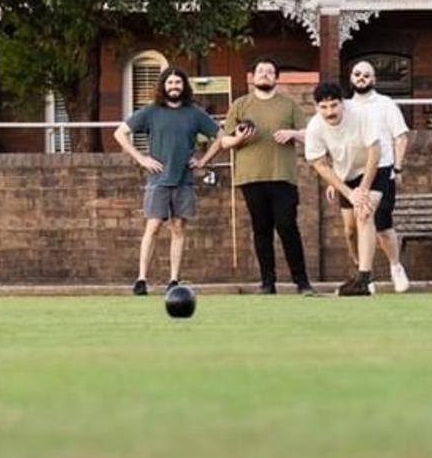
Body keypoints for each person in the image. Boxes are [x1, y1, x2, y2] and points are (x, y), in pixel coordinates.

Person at [114, 66, 223, 295]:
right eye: (170, 83)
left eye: (178, 83)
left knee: (178, 228)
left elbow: (220, 137)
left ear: (184, 86)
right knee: (152, 227)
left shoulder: (194, 113)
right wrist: (141, 159)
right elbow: (120, 133)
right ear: (163, 86)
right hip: (158, 180)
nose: (174, 87)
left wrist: (203, 161)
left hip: (184, 180)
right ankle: (142, 279)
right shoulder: (151, 111)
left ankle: (174, 280)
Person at [220, 57, 315, 295]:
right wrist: (239, 138)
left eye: (269, 71)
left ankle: (302, 282)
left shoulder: (289, 105)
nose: (264, 74)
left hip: (282, 176)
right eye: (260, 71)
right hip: (251, 177)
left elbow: (309, 135)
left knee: (287, 226)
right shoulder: (240, 105)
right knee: (261, 230)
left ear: (276, 77)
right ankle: (267, 282)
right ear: (253, 76)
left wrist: (293, 133)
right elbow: (224, 141)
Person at [305, 82, 385, 296]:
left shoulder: (360, 114)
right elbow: (320, 164)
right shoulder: (315, 127)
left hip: (375, 168)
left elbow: (375, 152)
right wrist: (349, 192)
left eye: (334, 105)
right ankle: (360, 267)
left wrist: (363, 191)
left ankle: (364, 280)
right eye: (324, 107)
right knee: (349, 231)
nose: (330, 112)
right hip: (345, 175)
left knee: (364, 214)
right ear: (316, 107)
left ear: (343, 103)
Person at [346, 60, 410, 292]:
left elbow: (400, 136)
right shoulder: (345, 107)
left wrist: (398, 168)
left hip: (383, 171)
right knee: (352, 229)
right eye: (357, 74)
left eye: (366, 74)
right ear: (351, 77)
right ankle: (365, 275)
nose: (361, 77)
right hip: (354, 174)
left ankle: (395, 266)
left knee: (381, 225)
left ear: (373, 79)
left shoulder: (385, 104)